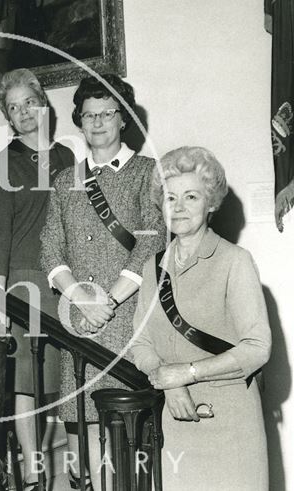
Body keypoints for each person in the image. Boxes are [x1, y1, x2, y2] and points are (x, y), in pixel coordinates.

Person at [39, 74, 165, 489]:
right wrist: (81, 298)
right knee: (84, 451)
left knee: (131, 450)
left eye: (107, 113)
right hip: (78, 328)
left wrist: (107, 301)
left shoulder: (148, 173)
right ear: (79, 120)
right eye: (88, 115)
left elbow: (152, 241)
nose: (97, 123)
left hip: (129, 321)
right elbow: (50, 250)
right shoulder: (64, 181)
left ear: (123, 118)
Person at [131, 146, 271, 490]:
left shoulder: (234, 261)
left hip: (232, 421)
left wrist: (189, 372)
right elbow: (140, 341)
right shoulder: (153, 268)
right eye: (170, 197)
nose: (177, 207)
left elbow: (257, 348)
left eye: (190, 196)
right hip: (178, 419)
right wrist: (171, 382)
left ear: (210, 203)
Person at [0, 68, 75, 491]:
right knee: (26, 380)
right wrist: (1, 301)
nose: (22, 112)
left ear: (43, 103)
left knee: (55, 380)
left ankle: (56, 465)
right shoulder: (5, 162)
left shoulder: (66, 159)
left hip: (64, 283)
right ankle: (31, 466)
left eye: (27, 102)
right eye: (12, 107)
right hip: (23, 283)